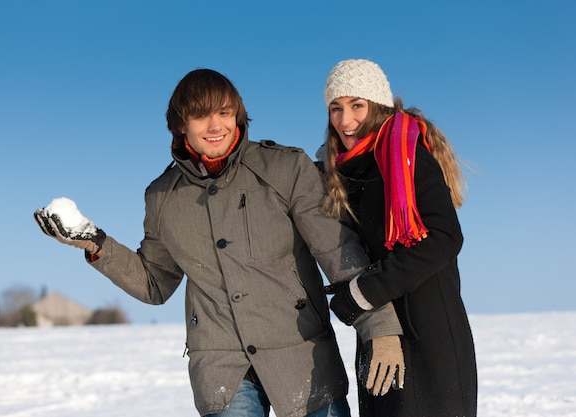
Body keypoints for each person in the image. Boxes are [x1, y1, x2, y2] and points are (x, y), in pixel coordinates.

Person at [34, 68, 406, 417]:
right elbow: (155, 283)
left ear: (238, 116)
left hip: (301, 352)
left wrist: (381, 328)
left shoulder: (285, 169)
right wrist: (96, 244)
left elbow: (337, 251)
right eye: (201, 116)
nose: (216, 126)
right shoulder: (162, 197)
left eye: (225, 113)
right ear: (181, 124)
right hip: (222, 367)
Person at [319, 59, 478, 417]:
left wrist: (363, 293)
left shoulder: (408, 157)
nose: (345, 121)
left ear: (377, 106)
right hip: (380, 334)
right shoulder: (344, 171)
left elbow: (444, 236)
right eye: (336, 108)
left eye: (356, 106)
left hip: (429, 339)